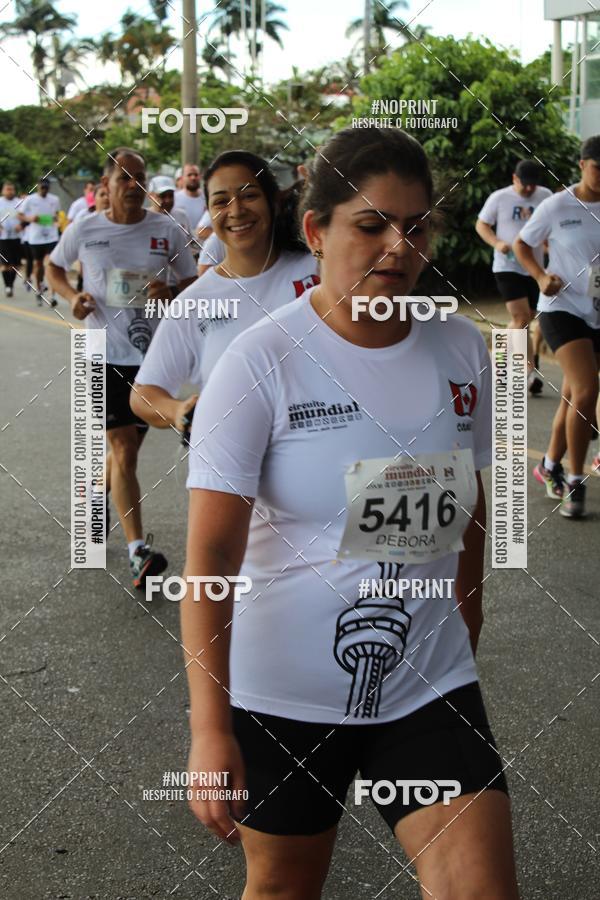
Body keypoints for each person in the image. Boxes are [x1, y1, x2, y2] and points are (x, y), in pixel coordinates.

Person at [182, 127, 519, 900]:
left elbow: (467, 506)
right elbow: (208, 562)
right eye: (372, 225)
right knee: (283, 890)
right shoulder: (260, 362)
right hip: (283, 695)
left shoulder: (462, 348)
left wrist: (466, 613)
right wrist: (210, 728)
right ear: (316, 230)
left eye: (417, 224)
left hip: (425, 681)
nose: (399, 245)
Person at [47, 147, 198, 588]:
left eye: (140, 178)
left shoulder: (166, 231)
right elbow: (55, 268)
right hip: (101, 353)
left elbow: (191, 282)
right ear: (106, 186)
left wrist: (169, 290)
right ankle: (138, 553)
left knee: (124, 451)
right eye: (124, 179)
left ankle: (95, 509)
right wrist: (72, 298)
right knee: (124, 449)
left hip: (152, 361)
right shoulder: (85, 228)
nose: (134, 186)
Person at [131, 150, 319, 435]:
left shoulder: (320, 268)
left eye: (249, 195)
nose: (236, 210)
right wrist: (179, 410)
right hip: (233, 468)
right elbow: (144, 394)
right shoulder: (195, 301)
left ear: (273, 201)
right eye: (221, 201)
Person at [514, 135, 600, 518]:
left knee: (573, 398)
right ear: (582, 165)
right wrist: (538, 275)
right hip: (561, 307)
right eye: (598, 167)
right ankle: (576, 481)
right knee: (587, 389)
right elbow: (521, 243)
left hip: (597, 310)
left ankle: (549, 465)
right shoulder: (557, 204)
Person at [476, 160, 552, 395]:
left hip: (535, 267)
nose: (529, 190)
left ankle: (493, 360)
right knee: (520, 318)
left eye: (533, 185)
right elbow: (482, 225)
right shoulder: (500, 198)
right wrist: (497, 243)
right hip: (507, 266)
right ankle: (527, 373)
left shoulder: (545, 195)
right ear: (514, 179)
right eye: (524, 185)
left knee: (526, 318)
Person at [18, 178, 60, 306]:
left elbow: (57, 215)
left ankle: (52, 296)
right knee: (38, 264)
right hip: (35, 237)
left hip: (51, 236)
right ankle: (39, 288)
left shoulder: (55, 199)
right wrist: (31, 218)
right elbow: (20, 215)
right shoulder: (30, 199)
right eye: (42, 188)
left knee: (51, 264)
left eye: (46, 188)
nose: (44, 190)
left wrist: (55, 218)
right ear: (37, 187)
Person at [0, 181, 22, 298]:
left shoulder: (19, 203)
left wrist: (21, 225)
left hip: (16, 237)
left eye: (11, 189)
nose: (10, 191)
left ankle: (11, 285)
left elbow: (25, 217)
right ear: (3, 191)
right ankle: (7, 286)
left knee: (15, 265)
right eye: (7, 189)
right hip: (3, 238)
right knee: (4, 264)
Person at [174, 163, 206, 236]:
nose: (193, 178)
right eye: (189, 175)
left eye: (196, 175)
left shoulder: (208, 199)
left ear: (200, 176)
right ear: (182, 178)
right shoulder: (174, 198)